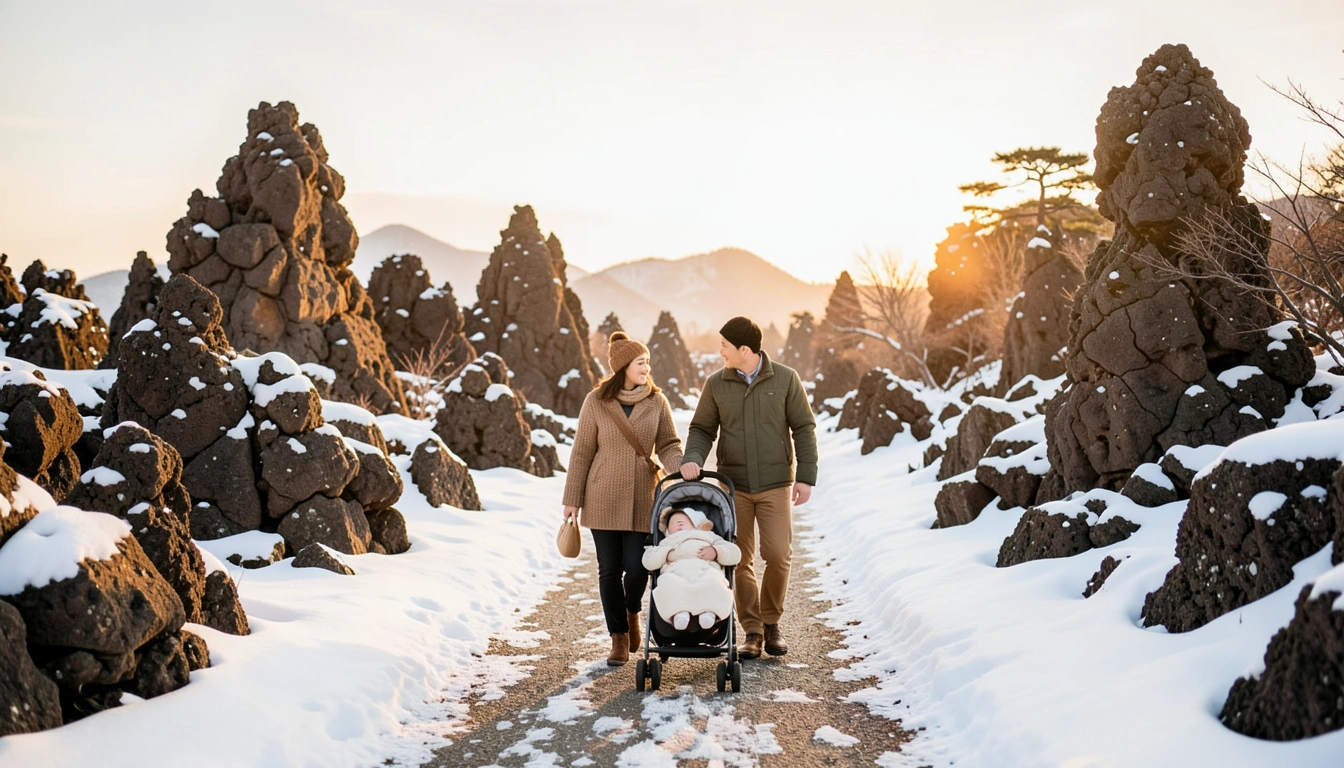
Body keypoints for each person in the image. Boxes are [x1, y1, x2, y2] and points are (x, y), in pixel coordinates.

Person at [680, 316, 817, 659]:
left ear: (744, 349)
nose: (720, 351)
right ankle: (752, 631)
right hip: (734, 485)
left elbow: (803, 427)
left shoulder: (786, 379)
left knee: (778, 555)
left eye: (725, 345)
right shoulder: (716, 384)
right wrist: (692, 457)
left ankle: (772, 623)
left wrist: (806, 476)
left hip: (775, 484)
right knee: (739, 557)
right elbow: (701, 429)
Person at [562, 331, 684, 666]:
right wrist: (572, 498)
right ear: (623, 368)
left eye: (646, 362)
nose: (647, 367)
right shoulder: (596, 401)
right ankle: (618, 636)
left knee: (637, 567)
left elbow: (670, 444)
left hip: (643, 495)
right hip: (601, 496)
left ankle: (632, 612)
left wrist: (681, 470)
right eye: (641, 362)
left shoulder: (656, 401)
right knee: (608, 570)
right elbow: (582, 452)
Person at [641, 507, 742, 631]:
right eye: (672, 523)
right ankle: (678, 613)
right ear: (667, 531)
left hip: (706, 571)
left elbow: (735, 553)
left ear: (699, 524)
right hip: (676, 573)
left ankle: (709, 612)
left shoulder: (710, 537)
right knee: (667, 583)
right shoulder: (667, 542)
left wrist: (717, 551)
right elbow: (648, 561)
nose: (677, 524)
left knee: (715, 582)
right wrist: (666, 554)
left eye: (683, 521)